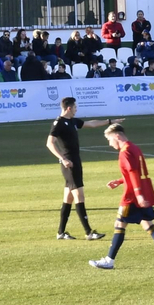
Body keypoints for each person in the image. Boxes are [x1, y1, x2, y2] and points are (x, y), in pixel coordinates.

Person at [89, 123, 154, 270]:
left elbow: (134, 173)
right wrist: (119, 181)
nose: (110, 144)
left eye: (109, 140)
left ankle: (109, 260)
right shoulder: (134, 148)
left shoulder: (125, 152)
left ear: (117, 136)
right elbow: (134, 173)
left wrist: (138, 194)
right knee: (147, 224)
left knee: (119, 225)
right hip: (140, 192)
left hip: (132, 196)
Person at [47, 97, 109, 241]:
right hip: (69, 163)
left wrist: (109, 122)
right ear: (69, 108)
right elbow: (50, 143)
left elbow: (91, 124)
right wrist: (63, 159)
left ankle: (61, 233)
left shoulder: (73, 121)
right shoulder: (59, 123)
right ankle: (89, 232)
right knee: (79, 196)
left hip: (75, 160)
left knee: (68, 198)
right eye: (75, 107)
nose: (76, 109)